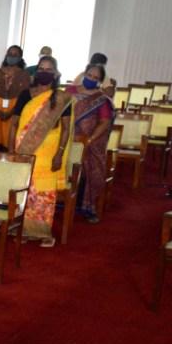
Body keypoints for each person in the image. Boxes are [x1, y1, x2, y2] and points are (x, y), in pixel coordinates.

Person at [9, 56, 72, 247]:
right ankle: (24, 230)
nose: (45, 72)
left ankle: (43, 233)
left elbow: (66, 128)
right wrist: (12, 149)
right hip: (25, 150)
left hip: (48, 154)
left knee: (43, 194)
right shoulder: (26, 94)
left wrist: (60, 153)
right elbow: (13, 124)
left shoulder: (60, 98)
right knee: (24, 190)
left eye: (49, 69)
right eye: (41, 68)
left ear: (55, 74)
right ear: (36, 72)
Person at [67, 64, 114, 224]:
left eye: (95, 78)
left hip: (90, 142)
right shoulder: (70, 92)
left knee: (90, 171)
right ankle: (61, 202)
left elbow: (105, 122)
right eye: (89, 75)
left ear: (100, 81)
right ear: (84, 73)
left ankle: (87, 206)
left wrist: (90, 140)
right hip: (67, 139)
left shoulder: (101, 99)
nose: (91, 79)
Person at [0, 46, 31, 150]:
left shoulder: (24, 75)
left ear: (20, 58)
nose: (12, 57)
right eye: (10, 54)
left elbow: (25, 97)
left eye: (15, 55)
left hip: (15, 113)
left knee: (10, 142)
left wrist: (12, 112)